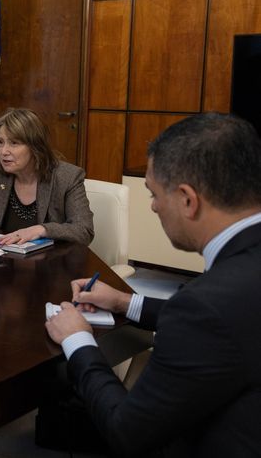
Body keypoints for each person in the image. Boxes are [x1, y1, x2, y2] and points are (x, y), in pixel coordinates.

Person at [45, 113, 261, 457]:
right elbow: (232, 319)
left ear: (188, 200)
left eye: (154, 194)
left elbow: (127, 431)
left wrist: (77, 339)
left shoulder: (206, 305)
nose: (153, 206)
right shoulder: (236, 278)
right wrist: (124, 301)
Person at [0, 108, 93, 245]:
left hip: (51, 262)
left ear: (35, 147)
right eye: (0, 142)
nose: (4, 151)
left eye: (14, 143)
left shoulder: (67, 177)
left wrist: (41, 230)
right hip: (1, 260)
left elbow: (84, 230)